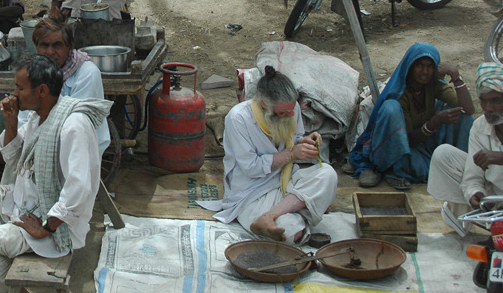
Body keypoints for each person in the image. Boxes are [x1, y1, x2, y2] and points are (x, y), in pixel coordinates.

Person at [0, 54, 111, 293]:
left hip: (52, 227)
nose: (13, 94)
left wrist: (46, 227)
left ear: (42, 91)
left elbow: (79, 189)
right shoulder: (39, 117)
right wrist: (11, 121)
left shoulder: (72, 125)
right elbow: (14, 160)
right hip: (21, 204)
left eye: (20, 88)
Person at [198, 66, 337, 244]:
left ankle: (271, 216)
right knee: (290, 233)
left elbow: (295, 139)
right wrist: (292, 154)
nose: (290, 115)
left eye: (291, 110)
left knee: (328, 174)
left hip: (286, 180)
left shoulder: (291, 108)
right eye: (283, 113)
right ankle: (302, 207)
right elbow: (251, 168)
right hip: (252, 193)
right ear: (264, 104)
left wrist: (306, 142)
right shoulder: (238, 118)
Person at [350, 42, 474, 190]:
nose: (425, 72)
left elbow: (468, 109)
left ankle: (464, 165)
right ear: (410, 67)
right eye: (420, 65)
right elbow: (409, 139)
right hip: (401, 148)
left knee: (463, 117)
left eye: (430, 67)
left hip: (424, 142)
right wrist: (435, 122)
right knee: (390, 108)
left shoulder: (433, 85)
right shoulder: (400, 93)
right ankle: (392, 169)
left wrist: (456, 75)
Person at [428, 62, 503, 236]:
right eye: (483, 101)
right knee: (443, 154)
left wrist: (499, 157)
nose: (488, 108)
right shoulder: (480, 127)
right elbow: (472, 177)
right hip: (497, 196)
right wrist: (475, 194)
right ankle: (487, 221)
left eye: (496, 101)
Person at [26, 16, 109, 157]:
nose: (50, 52)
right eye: (44, 45)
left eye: (57, 45)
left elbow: (76, 123)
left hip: (78, 151)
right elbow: (24, 118)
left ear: (69, 47)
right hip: (40, 149)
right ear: (37, 47)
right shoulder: (34, 72)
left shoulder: (87, 73)